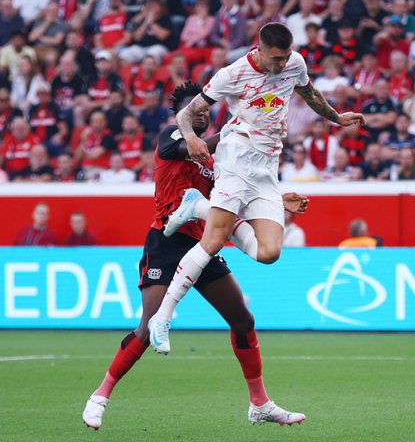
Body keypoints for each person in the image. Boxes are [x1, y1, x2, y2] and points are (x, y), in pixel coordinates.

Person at [82, 82, 308, 431]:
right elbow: (191, 145)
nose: (201, 113)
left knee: (243, 320)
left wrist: (277, 200)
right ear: (182, 115)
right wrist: (234, 130)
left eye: (205, 109)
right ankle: (100, 396)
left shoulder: (216, 162)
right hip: (165, 242)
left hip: (203, 244)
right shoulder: (170, 138)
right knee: (148, 326)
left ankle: (260, 403)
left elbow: (233, 200)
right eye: (194, 109)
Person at [148, 23, 363, 354]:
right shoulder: (231, 74)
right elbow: (187, 113)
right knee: (213, 240)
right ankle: (162, 317)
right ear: (259, 50)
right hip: (236, 154)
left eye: (286, 57)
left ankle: (197, 206)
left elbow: (310, 94)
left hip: (267, 167)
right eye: (276, 58)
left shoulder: (295, 64)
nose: (281, 65)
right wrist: (191, 136)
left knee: (269, 253)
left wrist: (337, 117)